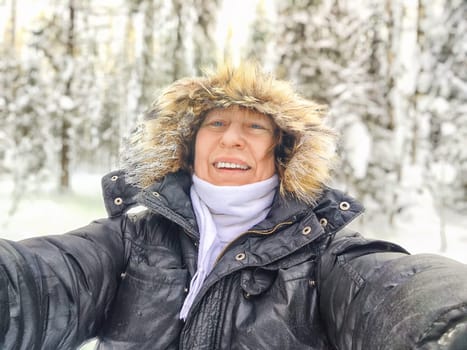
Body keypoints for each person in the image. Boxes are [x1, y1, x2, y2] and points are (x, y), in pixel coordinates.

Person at [1, 62, 466, 350]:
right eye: (216, 122)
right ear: (189, 144)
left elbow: (392, 290)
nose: (231, 138)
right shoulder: (132, 238)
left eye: (255, 127)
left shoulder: (322, 254)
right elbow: (45, 280)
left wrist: (448, 321)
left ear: (281, 150)